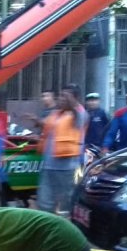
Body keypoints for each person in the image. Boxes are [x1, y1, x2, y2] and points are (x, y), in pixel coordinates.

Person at [37, 84, 88, 214]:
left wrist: (71, 103)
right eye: (60, 95)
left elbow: (78, 119)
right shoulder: (57, 114)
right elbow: (46, 125)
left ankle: (66, 228)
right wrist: (36, 121)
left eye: (65, 96)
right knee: (44, 203)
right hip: (49, 166)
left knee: (66, 205)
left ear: (74, 98)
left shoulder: (80, 114)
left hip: (67, 168)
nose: (60, 98)